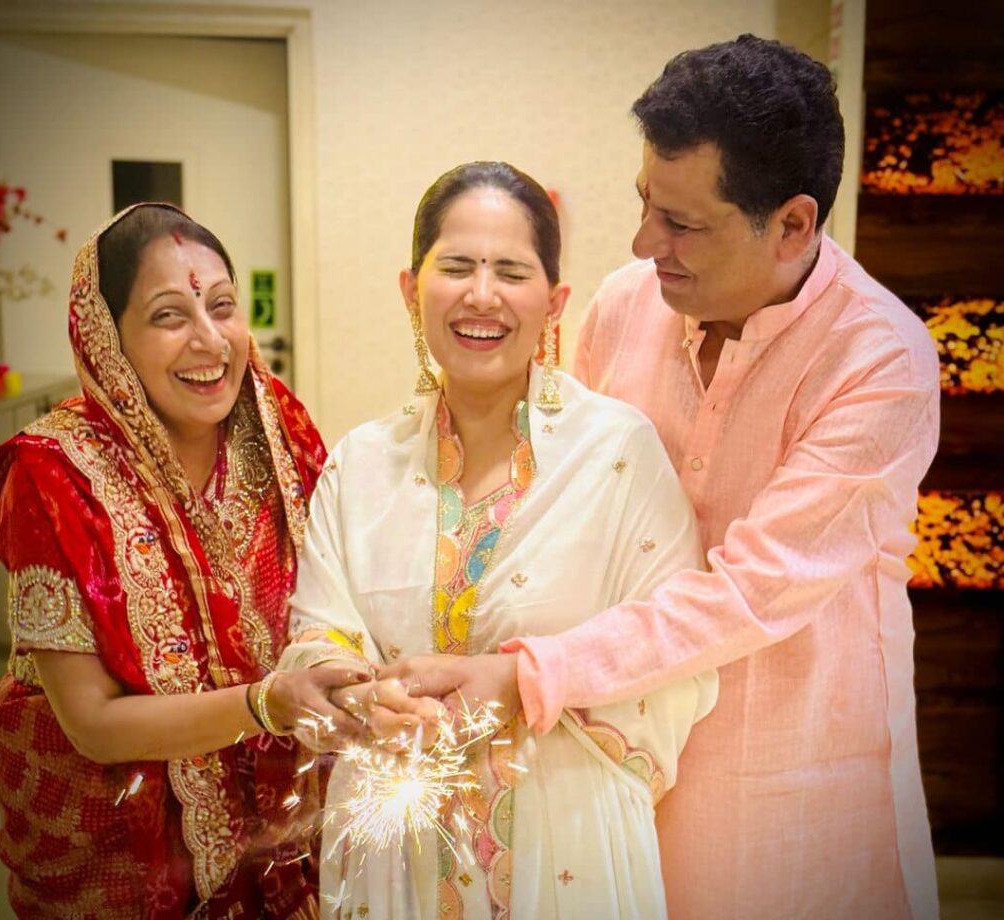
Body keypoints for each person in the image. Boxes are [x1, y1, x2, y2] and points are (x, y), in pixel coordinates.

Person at [391, 35, 941, 920]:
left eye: (682, 223)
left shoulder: (879, 363)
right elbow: (561, 500)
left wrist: (530, 673)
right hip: (616, 742)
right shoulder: (625, 305)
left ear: (793, 224)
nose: (646, 243)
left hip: (791, 768)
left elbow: (752, 591)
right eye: (647, 203)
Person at [277, 161, 718, 919]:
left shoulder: (616, 453)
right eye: (456, 267)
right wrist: (361, 694)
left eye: (510, 271)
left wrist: (527, 691)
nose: (482, 294)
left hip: (569, 846)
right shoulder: (360, 465)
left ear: (554, 302)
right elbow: (317, 633)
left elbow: (678, 648)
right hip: (398, 845)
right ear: (411, 289)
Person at [0, 203, 403, 919]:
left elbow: (336, 596)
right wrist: (264, 704)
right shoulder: (52, 477)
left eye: (223, 306)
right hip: (122, 853)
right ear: (109, 337)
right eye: (170, 315)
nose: (210, 341)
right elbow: (90, 722)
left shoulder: (278, 430)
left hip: (281, 831)